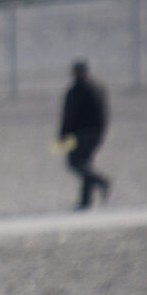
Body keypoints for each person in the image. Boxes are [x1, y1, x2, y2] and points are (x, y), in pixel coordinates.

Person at [58, 60, 112, 209]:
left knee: (74, 162)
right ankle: (86, 200)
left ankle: (101, 180)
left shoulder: (76, 91)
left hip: (80, 134)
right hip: (96, 132)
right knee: (86, 163)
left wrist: (63, 135)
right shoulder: (97, 88)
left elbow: (69, 115)